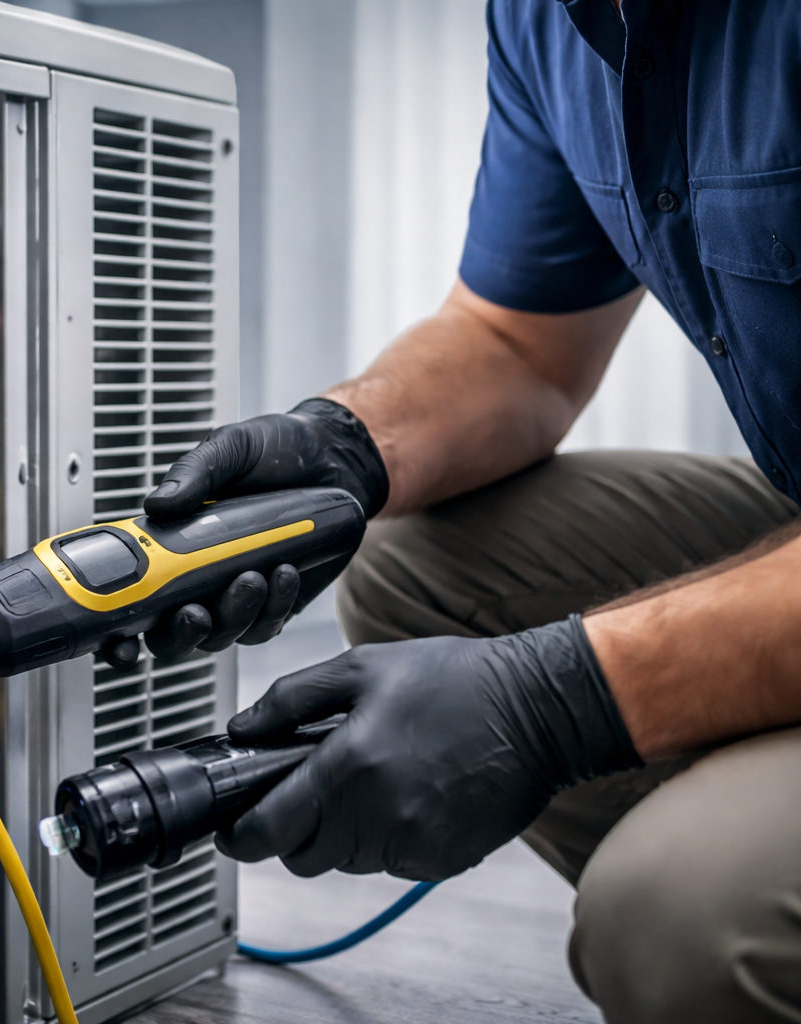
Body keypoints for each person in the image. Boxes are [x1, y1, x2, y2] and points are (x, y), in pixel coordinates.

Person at [136, 2, 801, 1021]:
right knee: (421, 562)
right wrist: (345, 446)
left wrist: (556, 702)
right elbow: (518, 343)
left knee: (684, 919)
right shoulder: (550, 20)